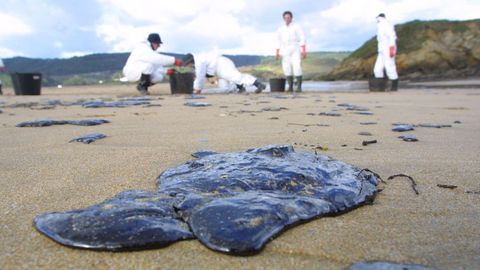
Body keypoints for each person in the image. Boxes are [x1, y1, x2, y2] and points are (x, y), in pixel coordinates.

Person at [182, 52, 266, 94]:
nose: (188, 66)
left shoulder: (199, 62)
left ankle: (258, 84)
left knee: (235, 76)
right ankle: (240, 88)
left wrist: (197, 89)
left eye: (187, 64)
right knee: (225, 88)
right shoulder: (198, 60)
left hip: (221, 65)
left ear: (190, 61)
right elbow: (204, 75)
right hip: (219, 67)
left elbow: (200, 77)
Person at [276, 11, 306, 92]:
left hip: (295, 47)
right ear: (283, 18)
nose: (287, 19)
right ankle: (290, 87)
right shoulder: (280, 29)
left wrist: (303, 50)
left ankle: (299, 87)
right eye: (285, 18)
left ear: (291, 18)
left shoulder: (296, 26)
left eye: (288, 17)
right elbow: (278, 40)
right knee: (286, 67)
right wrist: (277, 51)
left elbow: (302, 37)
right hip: (285, 49)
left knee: (297, 66)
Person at [373, 13, 399, 91]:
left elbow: (392, 36)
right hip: (381, 50)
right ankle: (380, 86)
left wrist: (391, 48)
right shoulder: (380, 27)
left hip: (388, 48)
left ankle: (394, 86)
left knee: (390, 66)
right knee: (377, 69)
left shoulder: (386, 25)